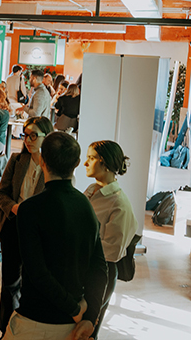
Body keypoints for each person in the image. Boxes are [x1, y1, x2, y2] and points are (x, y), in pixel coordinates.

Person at [4, 132, 108, 340]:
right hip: (72, 325)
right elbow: (99, 268)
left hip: (36, 320)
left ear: (42, 161)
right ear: (77, 163)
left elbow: (37, 272)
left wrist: (75, 309)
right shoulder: (86, 206)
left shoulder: (30, 209)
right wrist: (89, 314)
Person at [0, 116, 53, 336]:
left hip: (38, 232)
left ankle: (25, 329)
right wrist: (15, 208)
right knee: (9, 282)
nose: (28, 139)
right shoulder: (17, 160)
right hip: (13, 226)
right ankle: (4, 328)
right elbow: (1, 192)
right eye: (26, 135)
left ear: (47, 136)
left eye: (34, 135)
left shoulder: (54, 168)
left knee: (32, 282)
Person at [83, 140, 138, 339]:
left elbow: (112, 251)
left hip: (101, 272)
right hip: (85, 266)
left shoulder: (119, 203)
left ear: (104, 163)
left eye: (90, 158)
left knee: (88, 329)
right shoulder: (91, 189)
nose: (85, 163)